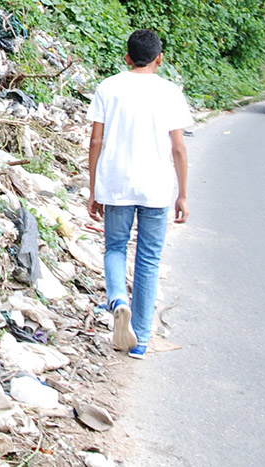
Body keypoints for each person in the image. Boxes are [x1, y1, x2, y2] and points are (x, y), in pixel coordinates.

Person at [86, 29, 192, 359]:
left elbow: (95, 142)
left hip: (116, 183)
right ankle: (141, 340)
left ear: (127, 57)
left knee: (115, 247)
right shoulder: (170, 92)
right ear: (160, 59)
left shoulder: (109, 87)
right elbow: (178, 147)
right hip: (156, 188)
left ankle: (118, 299)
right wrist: (183, 195)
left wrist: (94, 189)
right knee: (148, 258)